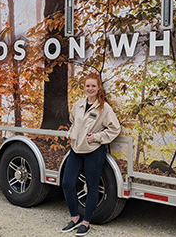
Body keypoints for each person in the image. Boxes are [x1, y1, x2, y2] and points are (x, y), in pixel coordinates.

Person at [61, 72, 121, 236]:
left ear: (98, 87)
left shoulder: (104, 108)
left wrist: (98, 137)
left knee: (92, 187)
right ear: (85, 87)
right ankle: (75, 218)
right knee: (67, 183)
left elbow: (115, 128)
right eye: (88, 85)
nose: (90, 88)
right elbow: (73, 121)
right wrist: (71, 133)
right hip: (76, 149)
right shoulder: (78, 105)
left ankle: (86, 223)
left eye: (93, 86)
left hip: (94, 151)